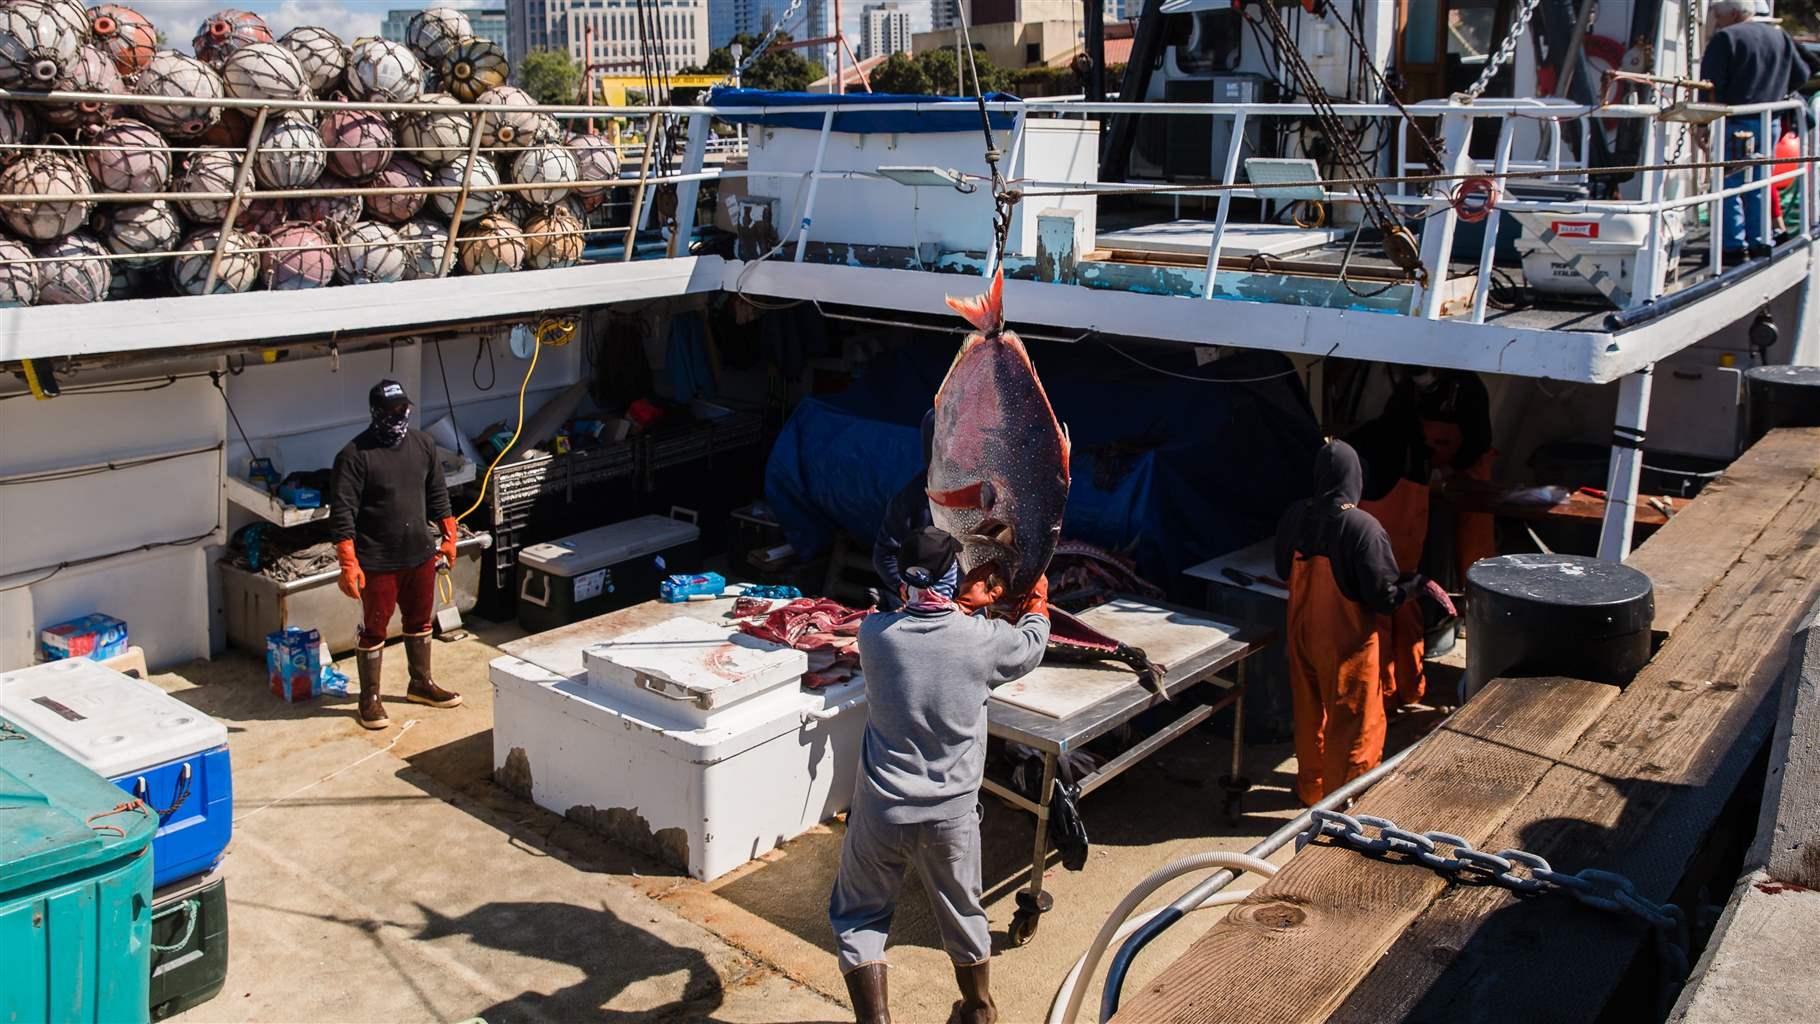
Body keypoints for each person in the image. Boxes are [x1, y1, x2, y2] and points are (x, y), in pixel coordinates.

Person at [830, 526, 1050, 1024]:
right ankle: (977, 1008)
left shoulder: (875, 637)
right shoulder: (984, 642)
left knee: (859, 915)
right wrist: (1035, 599)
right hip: (950, 815)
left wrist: (954, 599)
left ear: (904, 582)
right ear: (954, 579)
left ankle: (876, 1020)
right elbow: (1031, 645)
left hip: (881, 810)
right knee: (963, 912)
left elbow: (917, 618)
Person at [1275, 441, 1454, 806]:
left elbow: (1282, 570)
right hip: (1345, 643)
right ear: (1355, 477)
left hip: (1301, 632)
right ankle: (1344, 803)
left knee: (1310, 714)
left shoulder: (1295, 515)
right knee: (1353, 723)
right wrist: (1416, 586)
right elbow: (1383, 598)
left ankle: (1311, 790)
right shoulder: (1363, 527)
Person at [331, 380, 463, 731]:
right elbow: (342, 513)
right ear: (375, 412)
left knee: (420, 621)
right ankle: (369, 699)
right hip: (377, 561)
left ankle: (420, 683)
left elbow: (438, 495)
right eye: (390, 411)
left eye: (402, 409)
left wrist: (449, 537)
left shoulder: (423, 444)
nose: (398, 416)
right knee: (375, 627)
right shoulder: (354, 456)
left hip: (419, 553)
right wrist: (348, 562)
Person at [1702, 0, 1814, 259]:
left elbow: (1709, 85)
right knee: (1761, 181)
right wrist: (1778, 93)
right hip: (1770, 121)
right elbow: (1802, 73)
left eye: (1718, 16)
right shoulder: (1779, 37)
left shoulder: (1725, 38)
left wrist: (1702, 123)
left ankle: (1732, 245)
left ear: (1732, 14)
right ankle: (1761, 240)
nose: (1716, 22)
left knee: (1729, 182)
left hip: (1735, 120)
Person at [871, 410, 958, 610]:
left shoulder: (988, 494)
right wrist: (903, 586)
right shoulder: (909, 499)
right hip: (925, 604)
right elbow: (885, 554)